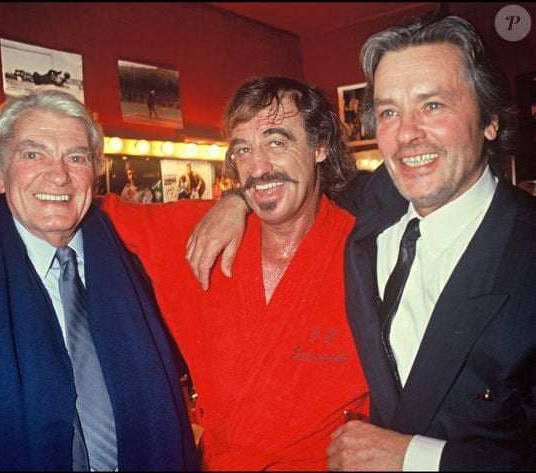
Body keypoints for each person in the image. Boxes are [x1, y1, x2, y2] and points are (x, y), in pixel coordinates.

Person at [0, 78, 370, 471]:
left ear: (319, 146)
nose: (258, 167)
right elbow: (67, 205)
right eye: (242, 150)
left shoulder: (370, 255)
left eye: (277, 142)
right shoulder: (192, 229)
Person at [184, 14, 536, 471]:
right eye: (390, 111)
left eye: (432, 106)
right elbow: (291, 179)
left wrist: (418, 458)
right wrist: (236, 200)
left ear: (490, 119)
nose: (407, 133)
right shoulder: (378, 198)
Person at [0, 90, 197, 471]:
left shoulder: (134, 256)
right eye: (33, 154)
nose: (59, 174)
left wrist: (238, 203)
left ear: (95, 173)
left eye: (76, 157)